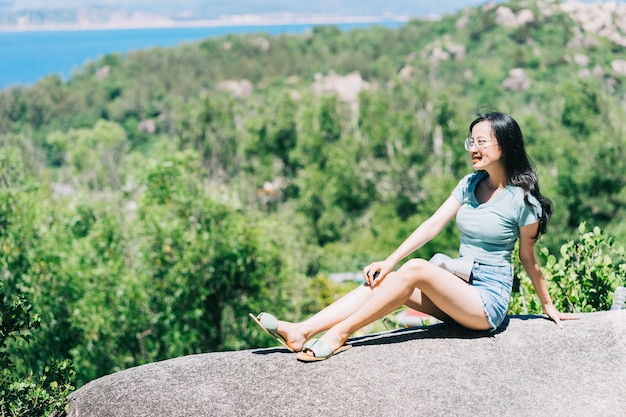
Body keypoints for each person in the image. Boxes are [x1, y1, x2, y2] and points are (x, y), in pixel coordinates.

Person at [250, 111, 577, 362]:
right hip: (458, 291)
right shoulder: (470, 183)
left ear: (505, 146)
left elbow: (528, 261)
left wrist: (548, 305)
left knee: (418, 268)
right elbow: (432, 225)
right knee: (385, 279)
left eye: (481, 142)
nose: (473, 148)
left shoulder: (523, 203)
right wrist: (388, 261)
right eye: (471, 141)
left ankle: (339, 335)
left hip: (485, 304)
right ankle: (302, 330)